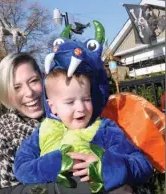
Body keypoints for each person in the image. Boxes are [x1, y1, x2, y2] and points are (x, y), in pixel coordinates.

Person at [14, 50, 153, 193]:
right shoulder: (43, 131)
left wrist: (105, 166)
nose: (81, 108)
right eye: (70, 102)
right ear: (52, 107)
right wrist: (54, 164)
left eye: (86, 99)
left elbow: (142, 165)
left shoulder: (104, 128)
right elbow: (21, 168)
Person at [0, 52, 45, 194]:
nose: (29, 92)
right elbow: (2, 191)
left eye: (33, 81)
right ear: (8, 94)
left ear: (42, 78)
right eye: (17, 87)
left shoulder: (69, 115)